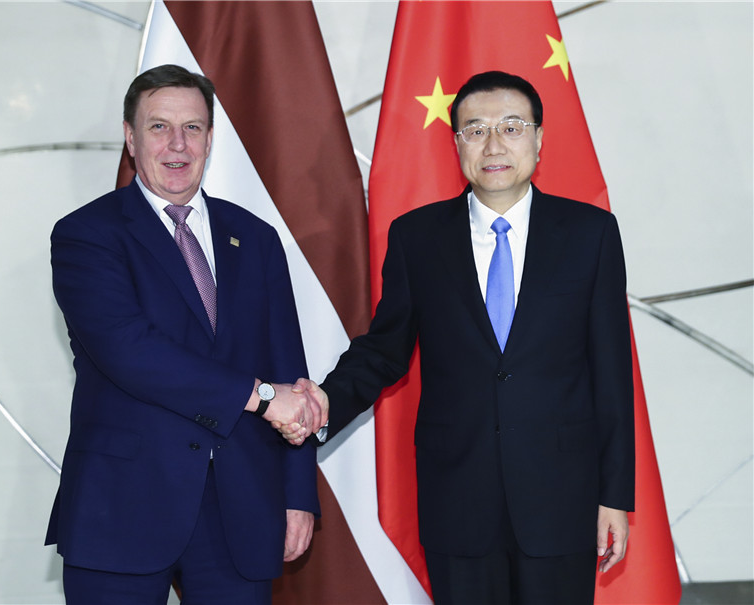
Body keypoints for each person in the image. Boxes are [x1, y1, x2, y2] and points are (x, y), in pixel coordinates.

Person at [284, 71, 635, 604]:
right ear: (456, 144)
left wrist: (614, 496)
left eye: (511, 127)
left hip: (562, 498)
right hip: (459, 499)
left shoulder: (591, 234)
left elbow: (612, 374)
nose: (493, 145)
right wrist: (325, 401)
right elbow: (384, 349)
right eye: (475, 130)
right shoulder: (417, 237)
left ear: (539, 139)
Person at [45, 64, 325, 604]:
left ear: (210, 138)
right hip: (123, 507)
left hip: (241, 508)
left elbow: (289, 367)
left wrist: (297, 495)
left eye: (192, 127)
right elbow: (130, 351)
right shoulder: (87, 235)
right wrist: (264, 398)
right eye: (159, 127)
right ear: (130, 138)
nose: (178, 144)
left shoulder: (256, 237)